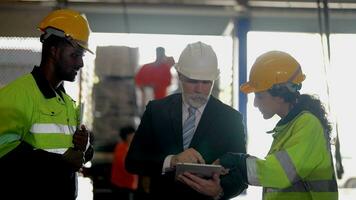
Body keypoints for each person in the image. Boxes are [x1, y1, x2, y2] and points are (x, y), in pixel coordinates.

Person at [126, 41, 247, 200]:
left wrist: (219, 190)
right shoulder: (157, 111)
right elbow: (133, 161)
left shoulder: (230, 119)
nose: (199, 89)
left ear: (214, 80)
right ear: (180, 76)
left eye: (206, 82)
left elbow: (241, 174)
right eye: (192, 81)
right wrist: (172, 161)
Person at [0, 9, 94, 200]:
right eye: (75, 54)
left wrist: (85, 148)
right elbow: (4, 152)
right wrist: (60, 162)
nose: (80, 64)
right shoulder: (18, 94)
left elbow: (65, 149)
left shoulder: (66, 102)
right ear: (54, 50)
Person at [218, 51, 338, 200]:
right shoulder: (289, 127)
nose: (255, 103)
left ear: (281, 95)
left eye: (260, 96)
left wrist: (238, 162)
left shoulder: (308, 125)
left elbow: (278, 173)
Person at [111, 125, 138, 200]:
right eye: (132, 135)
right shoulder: (121, 148)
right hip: (122, 184)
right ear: (127, 136)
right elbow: (123, 165)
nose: (134, 136)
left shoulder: (131, 147)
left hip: (130, 184)